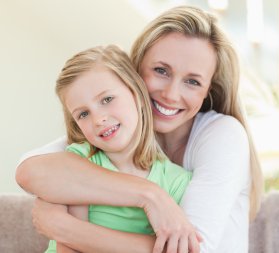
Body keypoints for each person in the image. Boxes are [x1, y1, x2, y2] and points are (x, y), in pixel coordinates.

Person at [16, 5, 263, 253]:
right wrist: (149, 195)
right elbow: (31, 171)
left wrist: (64, 229)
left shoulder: (222, 135)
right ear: (134, 74)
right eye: (161, 70)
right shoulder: (113, 129)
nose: (171, 94)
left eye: (192, 81)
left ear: (209, 89)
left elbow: (189, 250)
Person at [43, 45, 193, 252]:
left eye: (107, 99)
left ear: (137, 94)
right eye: (83, 114)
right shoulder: (80, 161)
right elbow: (68, 245)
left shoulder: (176, 182)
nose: (98, 119)